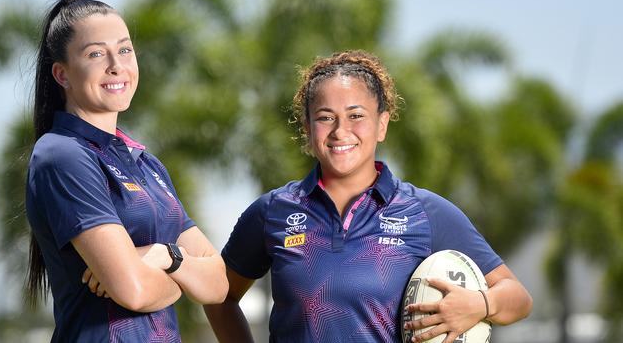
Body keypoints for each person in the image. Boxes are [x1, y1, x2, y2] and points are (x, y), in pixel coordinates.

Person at [204, 50, 532, 342]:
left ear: (382, 124)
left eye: (356, 115)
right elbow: (220, 296)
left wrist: (480, 304)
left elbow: (517, 297)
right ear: (307, 126)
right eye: (325, 117)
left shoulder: (424, 212)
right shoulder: (273, 211)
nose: (340, 131)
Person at [25, 0, 228, 342]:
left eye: (124, 50)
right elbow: (133, 290)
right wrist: (180, 276)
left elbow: (218, 283)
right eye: (95, 54)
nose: (115, 65)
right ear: (62, 74)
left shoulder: (145, 163)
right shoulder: (62, 155)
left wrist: (166, 256)